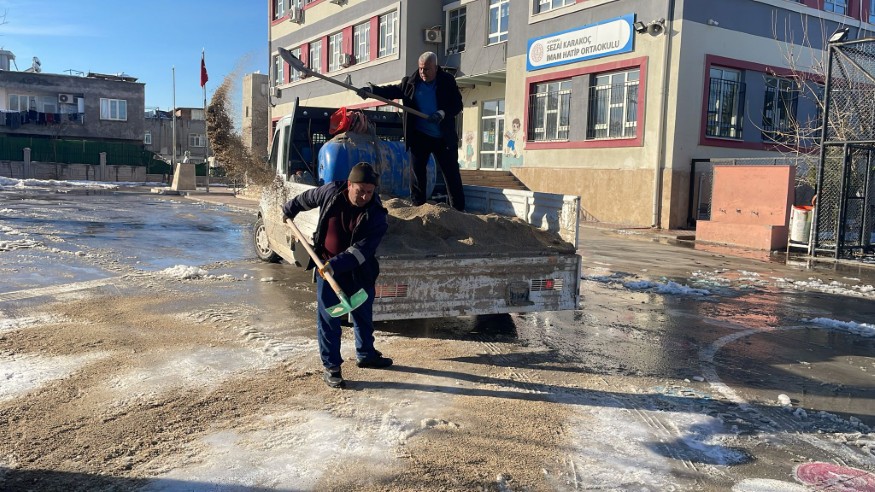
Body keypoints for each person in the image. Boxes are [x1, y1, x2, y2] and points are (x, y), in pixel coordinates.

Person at [282, 162, 392, 388]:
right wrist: (289, 209)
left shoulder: (377, 215)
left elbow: (362, 250)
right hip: (326, 269)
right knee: (329, 320)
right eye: (360, 190)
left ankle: (366, 354)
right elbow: (307, 199)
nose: (364, 196)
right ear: (349, 184)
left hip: (359, 270)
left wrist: (335, 264)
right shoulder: (331, 192)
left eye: (369, 192)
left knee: (362, 315)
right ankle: (332, 367)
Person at [359, 51, 465, 211]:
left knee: (451, 174)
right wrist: (371, 91)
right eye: (421, 68)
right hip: (420, 136)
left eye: (427, 69)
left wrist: (442, 113)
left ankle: (458, 210)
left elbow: (457, 105)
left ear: (435, 68)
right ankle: (418, 207)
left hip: (443, 137)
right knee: (417, 174)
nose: (423, 73)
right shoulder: (411, 83)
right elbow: (392, 91)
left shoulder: (447, 81)